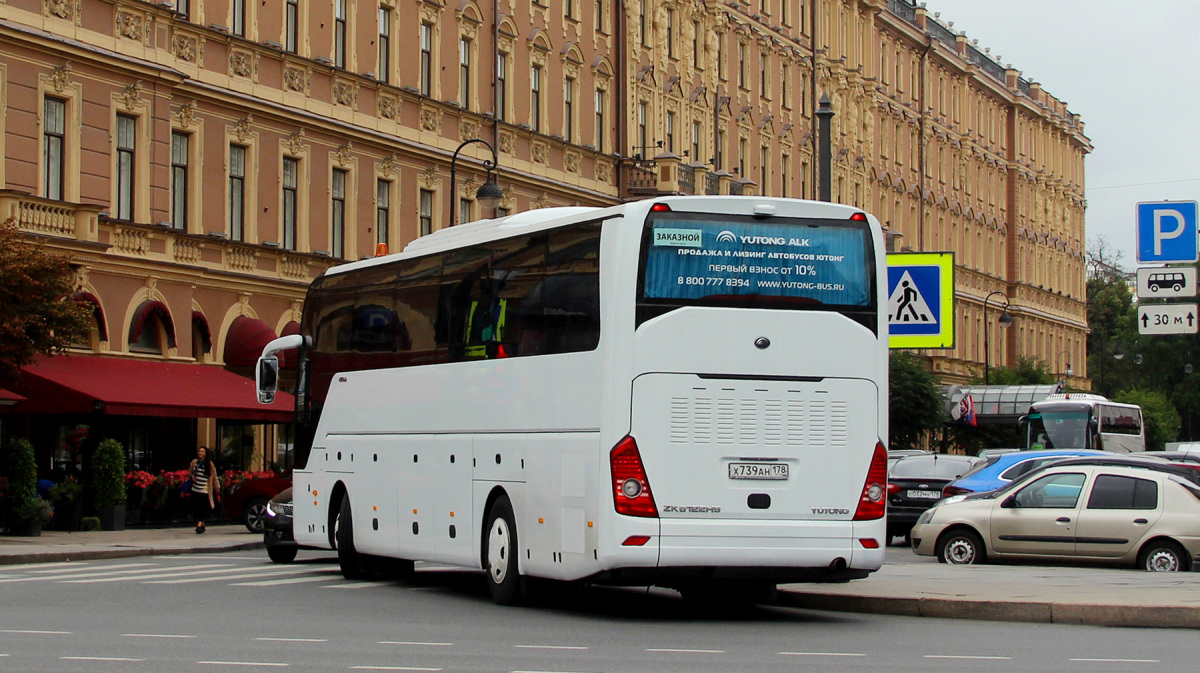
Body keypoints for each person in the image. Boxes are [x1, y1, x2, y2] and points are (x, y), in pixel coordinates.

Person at [188, 446, 220, 534]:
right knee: (197, 506)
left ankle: (199, 523)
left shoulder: (209, 464)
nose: (200, 453)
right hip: (195, 487)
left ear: (205, 454)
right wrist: (192, 476)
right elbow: (190, 472)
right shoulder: (194, 462)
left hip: (204, 488)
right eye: (199, 451)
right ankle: (202, 524)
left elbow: (214, 476)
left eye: (202, 451)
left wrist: (217, 486)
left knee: (202, 506)